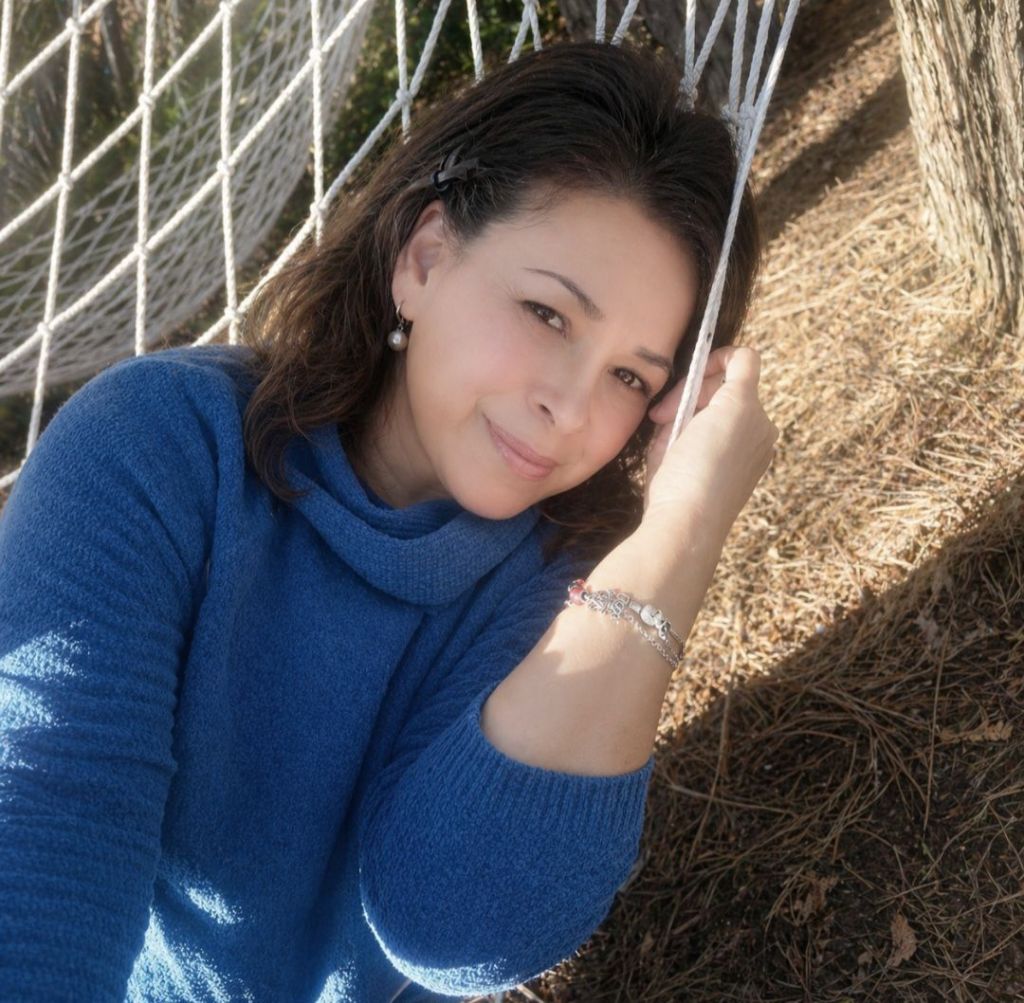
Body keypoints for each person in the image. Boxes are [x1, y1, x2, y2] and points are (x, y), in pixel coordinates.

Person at [0, 38, 777, 1003]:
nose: (572, 408)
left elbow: (453, 926)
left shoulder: (572, 580)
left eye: (629, 375)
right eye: (547, 314)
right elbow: (48, 818)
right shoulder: (157, 450)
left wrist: (681, 528)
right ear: (424, 258)